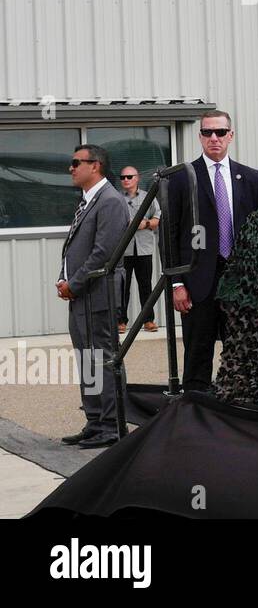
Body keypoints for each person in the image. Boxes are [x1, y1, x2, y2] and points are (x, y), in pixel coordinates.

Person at [167, 110, 258, 391]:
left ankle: (239, 407)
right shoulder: (181, 179)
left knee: (243, 349)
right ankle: (195, 409)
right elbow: (170, 234)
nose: (214, 138)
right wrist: (176, 282)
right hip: (197, 281)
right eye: (208, 132)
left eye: (220, 132)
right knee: (198, 350)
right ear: (200, 136)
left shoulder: (251, 178)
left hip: (240, 281)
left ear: (231, 136)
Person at [56, 145, 129, 449]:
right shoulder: (88, 201)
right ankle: (95, 420)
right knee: (87, 358)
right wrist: (64, 277)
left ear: (95, 166)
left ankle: (112, 426)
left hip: (98, 293)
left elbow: (104, 253)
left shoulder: (110, 201)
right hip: (82, 295)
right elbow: (78, 247)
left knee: (103, 358)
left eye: (76, 163)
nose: (71, 169)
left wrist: (74, 283)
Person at [118, 166, 161, 334]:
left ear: (137, 178)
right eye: (123, 177)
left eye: (129, 177)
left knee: (145, 286)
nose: (126, 180)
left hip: (143, 248)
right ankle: (121, 321)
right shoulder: (117, 199)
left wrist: (147, 224)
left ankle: (148, 320)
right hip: (124, 250)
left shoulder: (147, 197)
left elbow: (157, 217)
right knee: (123, 287)